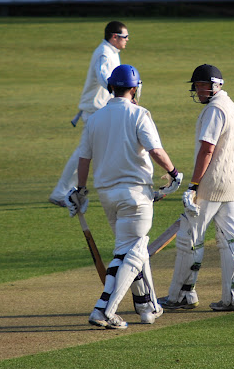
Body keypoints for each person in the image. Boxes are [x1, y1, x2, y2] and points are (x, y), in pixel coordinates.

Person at [66, 64, 183, 329]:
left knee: (133, 250)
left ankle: (147, 305)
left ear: (111, 88)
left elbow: (84, 159)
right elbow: (155, 150)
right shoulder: (139, 114)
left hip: (107, 196)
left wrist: (80, 191)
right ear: (134, 88)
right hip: (136, 195)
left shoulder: (95, 118)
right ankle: (104, 310)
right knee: (131, 251)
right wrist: (174, 173)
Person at [159, 64, 234, 312]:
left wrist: (193, 186)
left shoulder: (214, 110)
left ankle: (181, 296)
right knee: (231, 237)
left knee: (189, 238)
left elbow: (207, 150)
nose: (196, 91)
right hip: (232, 181)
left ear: (211, 86)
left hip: (210, 183)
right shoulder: (230, 105)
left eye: (198, 86)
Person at [48, 21, 129, 206]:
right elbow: (102, 75)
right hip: (96, 111)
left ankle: (64, 192)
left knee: (90, 151)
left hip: (100, 110)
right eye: (125, 37)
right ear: (114, 37)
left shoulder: (111, 52)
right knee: (85, 152)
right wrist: (115, 89)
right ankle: (61, 193)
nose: (127, 40)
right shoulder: (104, 53)